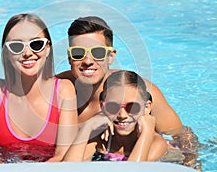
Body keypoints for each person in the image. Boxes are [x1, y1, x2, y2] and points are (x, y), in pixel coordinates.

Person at [57, 16, 199, 163]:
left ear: (111, 56)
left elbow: (182, 134)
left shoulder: (138, 91)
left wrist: (192, 163)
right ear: (69, 57)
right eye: (78, 53)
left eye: (98, 52)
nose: (87, 61)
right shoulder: (58, 89)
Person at [0, 13, 78, 164]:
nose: (27, 53)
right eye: (16, 46)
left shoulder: (64, 91)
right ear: (6, 53)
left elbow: (62, 156)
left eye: (36, 44)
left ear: (48, 49)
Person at [64, 70, 167, 161]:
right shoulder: (101, 140)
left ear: (146, 108)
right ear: (102, 106)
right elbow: (67, 168)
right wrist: (87, 127)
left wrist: (147, 131)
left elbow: (134, 170)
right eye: (112, 107)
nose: (122, 115)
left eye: (132, 107)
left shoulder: (155, 142)